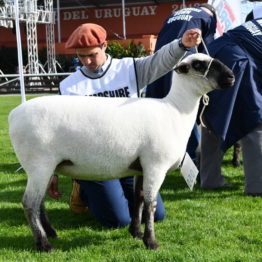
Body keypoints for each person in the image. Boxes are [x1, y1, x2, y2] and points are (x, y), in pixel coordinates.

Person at [47, 23, 202, 227]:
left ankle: (107, 193)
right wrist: (52, 171)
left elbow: (159, 62)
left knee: (156, 215)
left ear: (105, 46)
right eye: (81, 56)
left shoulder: (129, 68)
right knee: (118, 220)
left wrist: (182, 44)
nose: (87, 61)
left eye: (92, 54)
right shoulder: (68, 86)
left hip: (130, 157)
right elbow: (58, 131)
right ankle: (83, 190)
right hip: (92, 160)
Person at [145, 3, 217, 163]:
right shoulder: (208, 18)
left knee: (158, 112)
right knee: (185, 111)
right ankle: (193, 160)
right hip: (185, 65)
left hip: (160, 63)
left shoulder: (172, 16)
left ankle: (153, 154)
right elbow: (208, 49)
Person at [199, 17, 262, 195]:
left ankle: (210, 180)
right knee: (254, 120)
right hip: (238, 60)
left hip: (214, 53)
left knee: (212, 117)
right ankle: (257, 187)